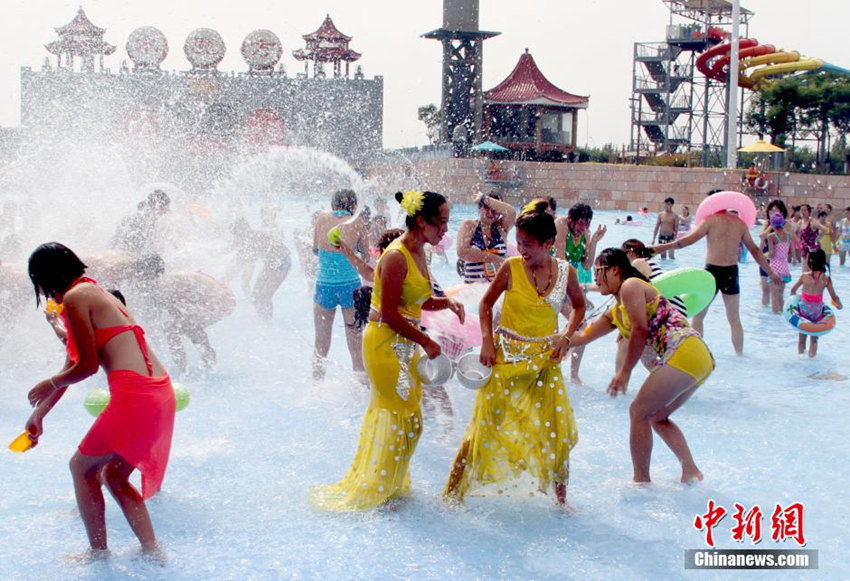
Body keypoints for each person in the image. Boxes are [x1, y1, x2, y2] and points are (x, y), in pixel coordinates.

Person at [312, 190, 464, 510]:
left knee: (412, 420)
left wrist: (446, 302)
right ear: (421, 221)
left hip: (404, 341)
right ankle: (380, 491)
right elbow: (392, 313)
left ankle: (390, 484)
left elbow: (415, 302)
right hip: (384, 342)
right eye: (442, 223)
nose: (446, 230)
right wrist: (426, 340)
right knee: (397, 417)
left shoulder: (420, 251)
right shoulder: (396, 256)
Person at [24, 243, 175, 559]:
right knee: (115, 475)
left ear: (45, 279)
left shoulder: (78, 297)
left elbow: (86, 367)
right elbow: (73, 365)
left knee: (81, 468)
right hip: (159, 393)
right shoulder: (93, 292)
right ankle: (151, 549)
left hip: (135, 395)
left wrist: (47, 383)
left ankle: (98, 552)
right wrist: (40, 414)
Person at [444, 200, 584, 507]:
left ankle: (561, 503)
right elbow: (484, 304)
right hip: (506, 360)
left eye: (529, 245)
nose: (522, 250)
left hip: (545, 364)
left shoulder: (565, 272)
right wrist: (486, 341)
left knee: (556, 432)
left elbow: (579, 306)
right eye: (518, 243)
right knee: (483, 428)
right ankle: (453, 495)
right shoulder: (512, 268)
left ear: (549, 243)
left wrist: (566, 335)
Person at [568, 248, 714, 484]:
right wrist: (554, 340)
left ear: (615, 270)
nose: (595, 277)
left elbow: (640, 329)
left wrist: (624, 372)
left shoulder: (631, 286)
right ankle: (691, 471)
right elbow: (583, 336)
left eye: (598, 271)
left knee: (638, 411)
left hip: (686, 351)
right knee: (657, 417)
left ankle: (641, 481)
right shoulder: (615, 312)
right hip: (699, 359)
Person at [652, 191, 781, 355]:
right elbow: (755, 251)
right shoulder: (739, 223)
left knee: (699, 316)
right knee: (734, 318)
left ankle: (696, 354)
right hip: (731, 272)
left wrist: (661, 247)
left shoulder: (709, 221)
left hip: (711, 272)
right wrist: (771, 273)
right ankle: (740, 356)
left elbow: (686, 241)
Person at [311, 190, 368, 380]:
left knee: (320, 343)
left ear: (333, 204)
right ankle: (362, 388)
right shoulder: (358, 221)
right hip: (350, 288)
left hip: (324, 286)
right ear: (353, 206)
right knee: (355, 343)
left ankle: (316, 384)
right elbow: (366, 256)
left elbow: (315, 249)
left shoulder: (320, 218)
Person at [555, 202, 606, 384]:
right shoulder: (560, 225)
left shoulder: (585, 233)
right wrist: (581, 294)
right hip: (552, 284)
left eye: (587, 223)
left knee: (581, 326)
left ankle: (574, 374)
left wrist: (593, 242)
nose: (583, 227)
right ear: (570, 219)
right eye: (580, 223)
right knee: (550, 329)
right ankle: (550, 370)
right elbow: (560, 260)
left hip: (568, 284)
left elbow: (586, 264)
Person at [225, 217, 290, 320]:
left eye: (238, 234)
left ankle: (267, 322)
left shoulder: (257, 236)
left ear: (245, 228)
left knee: (265, 296)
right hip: (270, 265)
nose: (238, 237)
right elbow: (243, 253)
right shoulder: (248, 238)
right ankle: (263, 321)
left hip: (282, 264)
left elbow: (252, 255)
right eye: (237, 235)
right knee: (255, 295)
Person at [789, 249, 843, 357]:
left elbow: (793, 290)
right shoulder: (826, 279)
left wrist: (793, 304)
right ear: (823, 262)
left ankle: (801, 359)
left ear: (810, 262)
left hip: (803, 311)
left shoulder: (804, 276)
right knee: (814, 339)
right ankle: (811, 361)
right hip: (816, 312)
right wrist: (839, 305)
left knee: (801, 338)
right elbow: (834, 297)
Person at [456, 192, 516, 283]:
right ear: (480, 208)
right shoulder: (470, 226)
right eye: (487, 208)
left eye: (495, 209)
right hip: (473, 289)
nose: (491, 213)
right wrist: (495, 259)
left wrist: (484, 199)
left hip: (497, 289)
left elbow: (511, 212)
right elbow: (462, 252)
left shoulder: (501, 229)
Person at [111, 190, 171, 255]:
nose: (168, 211)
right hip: (122, 255)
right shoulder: (141, 220)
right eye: (167, 207)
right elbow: (133, 247)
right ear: (159, 206)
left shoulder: (144, 216)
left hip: (118, 253)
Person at [757, 200, 789, 311]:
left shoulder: (786, 224)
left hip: (777, 259)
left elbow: (785, 240)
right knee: (765, 288)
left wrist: (775, 225)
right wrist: (759, 254)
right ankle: (765, 312)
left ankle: (778, 314)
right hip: (766, 255)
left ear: (782, 211)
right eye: (771, 210)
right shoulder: (767, 223)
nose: (772, 212)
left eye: (775, 210)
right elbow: (762, 237)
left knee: (778, 291)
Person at [765, 210, 792, 314]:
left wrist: (764, 256)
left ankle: (775, 319)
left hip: (775, 267)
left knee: (774, 295)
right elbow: (788, 253)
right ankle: (782, 315)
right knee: (781, 294)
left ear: (771, 224)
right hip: (784, 267)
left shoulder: (771, 236)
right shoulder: (788, 235)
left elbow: (772, 253)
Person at [797, 204, 826, 271]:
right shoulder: (800, 222)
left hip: (813, 250)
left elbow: (824, 230)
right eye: (801, 210)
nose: (803, 212)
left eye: (805, 210)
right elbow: (794, 232)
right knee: (804, 272)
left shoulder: (812, 221)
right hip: (805, 249)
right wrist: (799, 240)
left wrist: (817, 239)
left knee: (813, 271)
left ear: (809, 212)